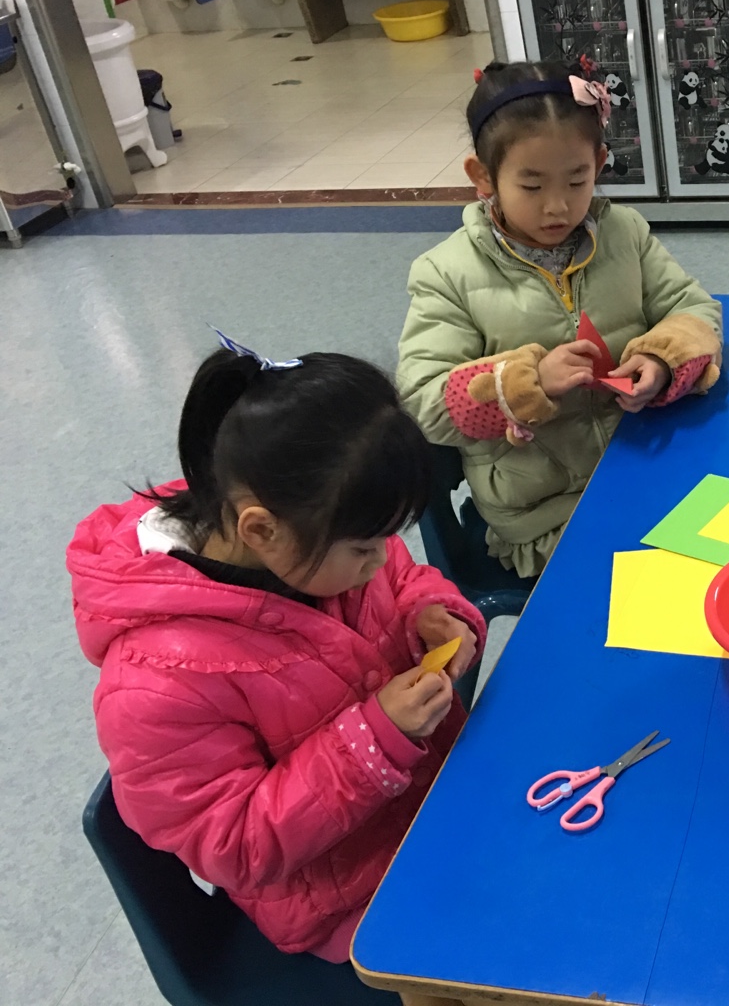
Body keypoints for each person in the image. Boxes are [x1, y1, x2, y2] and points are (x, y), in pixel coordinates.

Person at [68, 336, 484, 965]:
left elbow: (400, 578)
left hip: (435, 805)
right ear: (260, 529)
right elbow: (234, 845)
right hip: (350, 894)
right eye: (365, 548)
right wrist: (374, 739)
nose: (380, 560)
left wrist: (430, 611)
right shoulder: (156, 684)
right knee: (509, 952)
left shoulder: (313, 522)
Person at [396, 59, 723, 578]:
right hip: (547, 513)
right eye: (531, 186)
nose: (558, 207)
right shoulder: (446, 273)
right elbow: (424, 402)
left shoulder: (623, 233)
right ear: (483, 177)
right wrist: (526, 384)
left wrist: (661, 360)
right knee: (667, 584)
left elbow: (693, 308)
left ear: (599, 162)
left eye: (577, 180)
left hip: (646, 467)